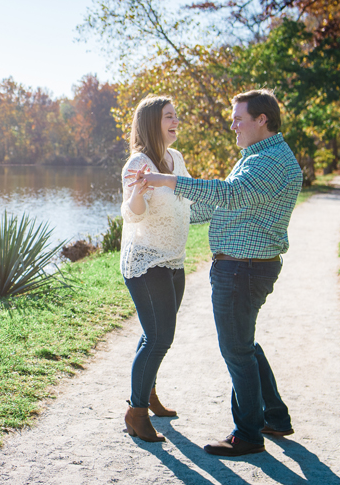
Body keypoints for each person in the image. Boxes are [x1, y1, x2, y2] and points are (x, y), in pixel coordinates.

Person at [126, 89, 302, 456]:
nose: (233, 125)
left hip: (243, 269)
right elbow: (221, 208)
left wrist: (169, 182)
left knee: (237, 350)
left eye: (239, 119)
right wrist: (171, 209)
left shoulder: (267, 162)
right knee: (245, 344)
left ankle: (248, 434)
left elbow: (231, 195)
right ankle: (275, 416)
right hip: (243, 267)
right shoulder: (257, 157)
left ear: (261, 120)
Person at [119, 95, 193, 443]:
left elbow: (190, 193)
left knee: (156, 333)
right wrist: (137, 190)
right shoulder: (138, 162)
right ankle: (136, 412)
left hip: (174, 260)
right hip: (147, 261)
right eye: (168, 116)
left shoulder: (175, 158)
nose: (175, 120)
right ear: (152, 122)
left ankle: (147, 392)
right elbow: (133, 213)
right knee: (160, 335)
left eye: (176, 115)